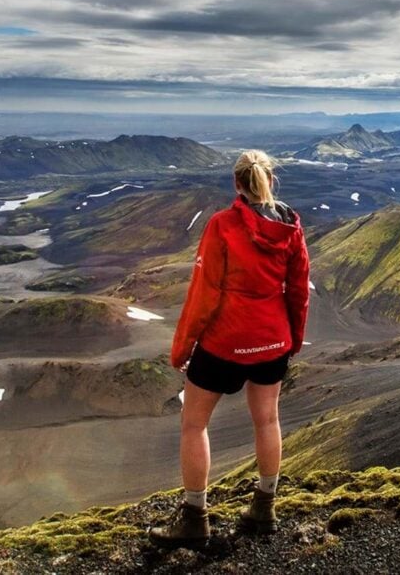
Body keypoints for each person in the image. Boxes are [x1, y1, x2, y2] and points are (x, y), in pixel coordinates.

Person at [149, 149, 310, 549]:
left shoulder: (222, 225)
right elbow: (298, 290)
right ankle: (264, 509)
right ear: (270, 182)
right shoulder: (291, 226)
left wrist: (182, 347)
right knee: (267, 421)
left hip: (225, 343)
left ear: (237, 184)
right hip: (273, 341)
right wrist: (291, 340)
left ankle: (194, 518)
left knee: (194, 424)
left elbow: (204, 294)